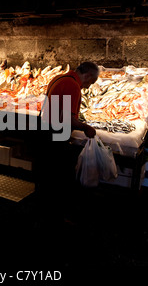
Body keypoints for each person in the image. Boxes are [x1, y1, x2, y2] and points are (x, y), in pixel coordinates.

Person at [36, 62, 99, 226]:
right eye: (89, 84)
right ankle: (58, 217)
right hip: (56, 134)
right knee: (61, 176)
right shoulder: (73, 86)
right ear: (88, 76)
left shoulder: (59, 78)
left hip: (44, 132)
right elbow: (67, 119)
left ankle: (43, 213)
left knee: (47, 175)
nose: (86, 88)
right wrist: (86, 127)